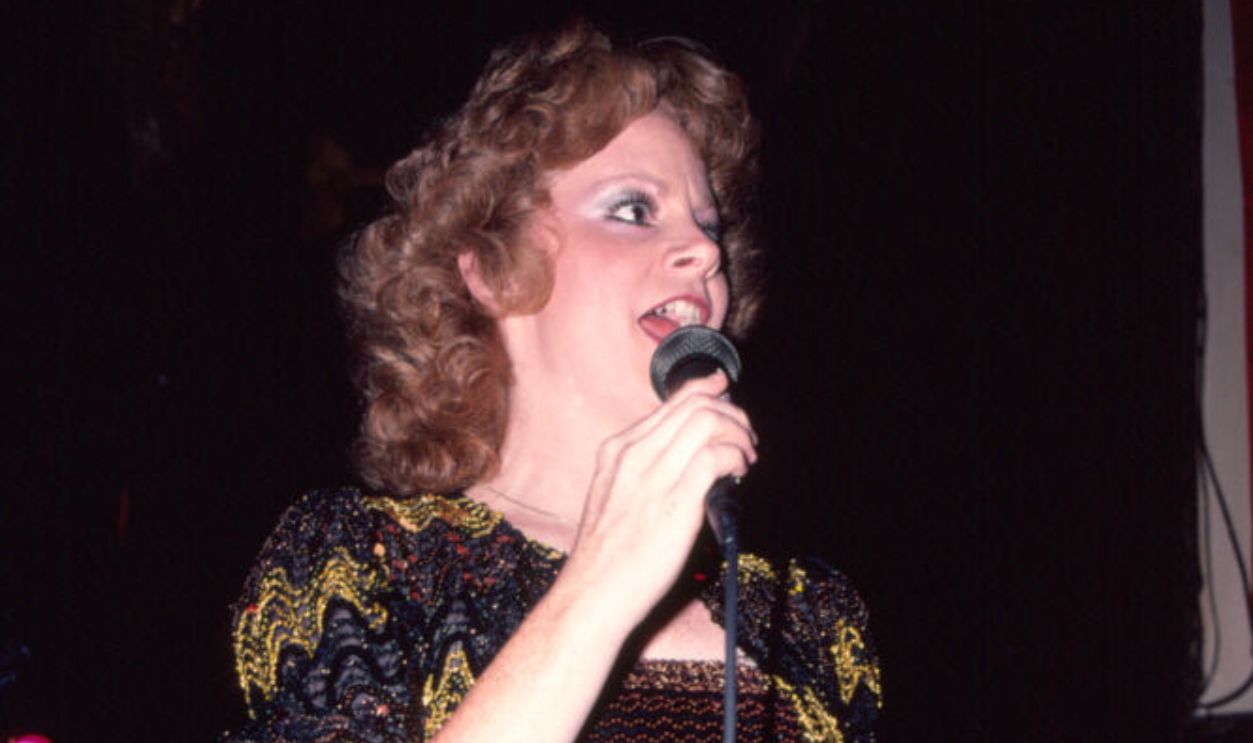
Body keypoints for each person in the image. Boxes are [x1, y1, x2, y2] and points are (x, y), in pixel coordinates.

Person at [226, 21, 880, 742]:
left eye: (708, 225)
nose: (700, 248)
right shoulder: (362, 563)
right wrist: (602, 581)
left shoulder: (805, 613)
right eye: (632, 210)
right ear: (491, 269)